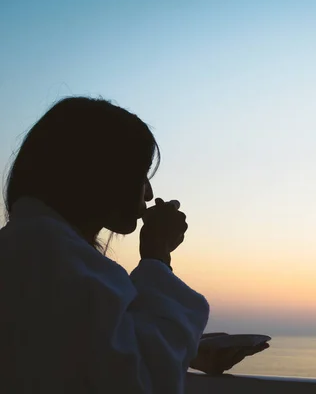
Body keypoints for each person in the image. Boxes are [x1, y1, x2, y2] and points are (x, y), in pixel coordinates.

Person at [0, 97, 267, 393]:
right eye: (141, 175)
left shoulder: (30, 251)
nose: (150, 193)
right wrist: (157, 256)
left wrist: (190, 352)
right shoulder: (53, 262)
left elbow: (64, 352)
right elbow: (140, 383)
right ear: (103, 174)